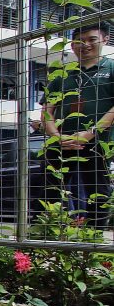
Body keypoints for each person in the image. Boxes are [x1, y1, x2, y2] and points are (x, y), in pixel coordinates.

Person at [41, 23, 114, 228]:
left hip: (98, 143)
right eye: (80, 41)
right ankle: (47, 235)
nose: (86, 45)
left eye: (92, 39)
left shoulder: (111, 68)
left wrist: (90, 133)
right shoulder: (62, 74)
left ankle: (92, 241)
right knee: (49, 188)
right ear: (72, 45)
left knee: (98, 192)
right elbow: (47, 110)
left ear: (105, 40)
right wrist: (57, 136)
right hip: (61, 143)